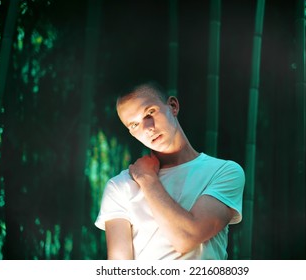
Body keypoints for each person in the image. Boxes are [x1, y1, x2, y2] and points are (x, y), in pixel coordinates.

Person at [94, 81, 245, 260]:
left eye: (150, 112)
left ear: (173, 106)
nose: (147, 128)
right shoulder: (120, 186)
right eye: (134, 125)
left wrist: (147, 179)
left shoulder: (224, 172)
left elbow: (186, 238)